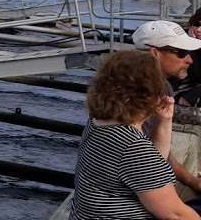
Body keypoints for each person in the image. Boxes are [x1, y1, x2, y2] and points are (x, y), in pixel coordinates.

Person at [71, 50, 199, 219]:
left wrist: (164, 121)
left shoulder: (97, 124)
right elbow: (175, 214)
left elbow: (152, 165)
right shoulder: (132, 146)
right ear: (149, 92)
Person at [134, 20, 201, 193]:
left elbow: (156, 148)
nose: (189, 60)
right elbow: (145, 159)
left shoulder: (162, 87)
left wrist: (193, 182)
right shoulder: (138, 94)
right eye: (181, 52)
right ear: (155, 53)